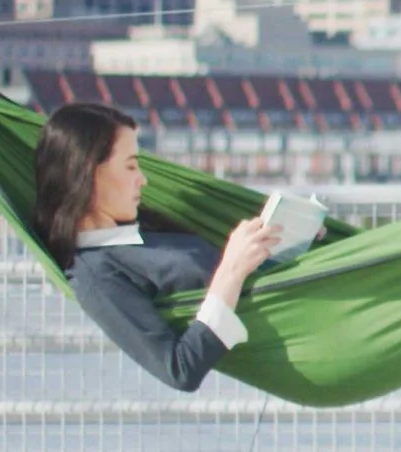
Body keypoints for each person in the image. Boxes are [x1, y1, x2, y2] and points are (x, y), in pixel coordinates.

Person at [33, 103, 284, 392]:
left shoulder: (143, 231)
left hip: (310, 288)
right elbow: (179, 369)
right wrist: (231, 271)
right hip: (295, 321)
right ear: (89, 174)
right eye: (130, 166)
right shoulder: (96, 274)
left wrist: (295, 240)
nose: (143, 179)